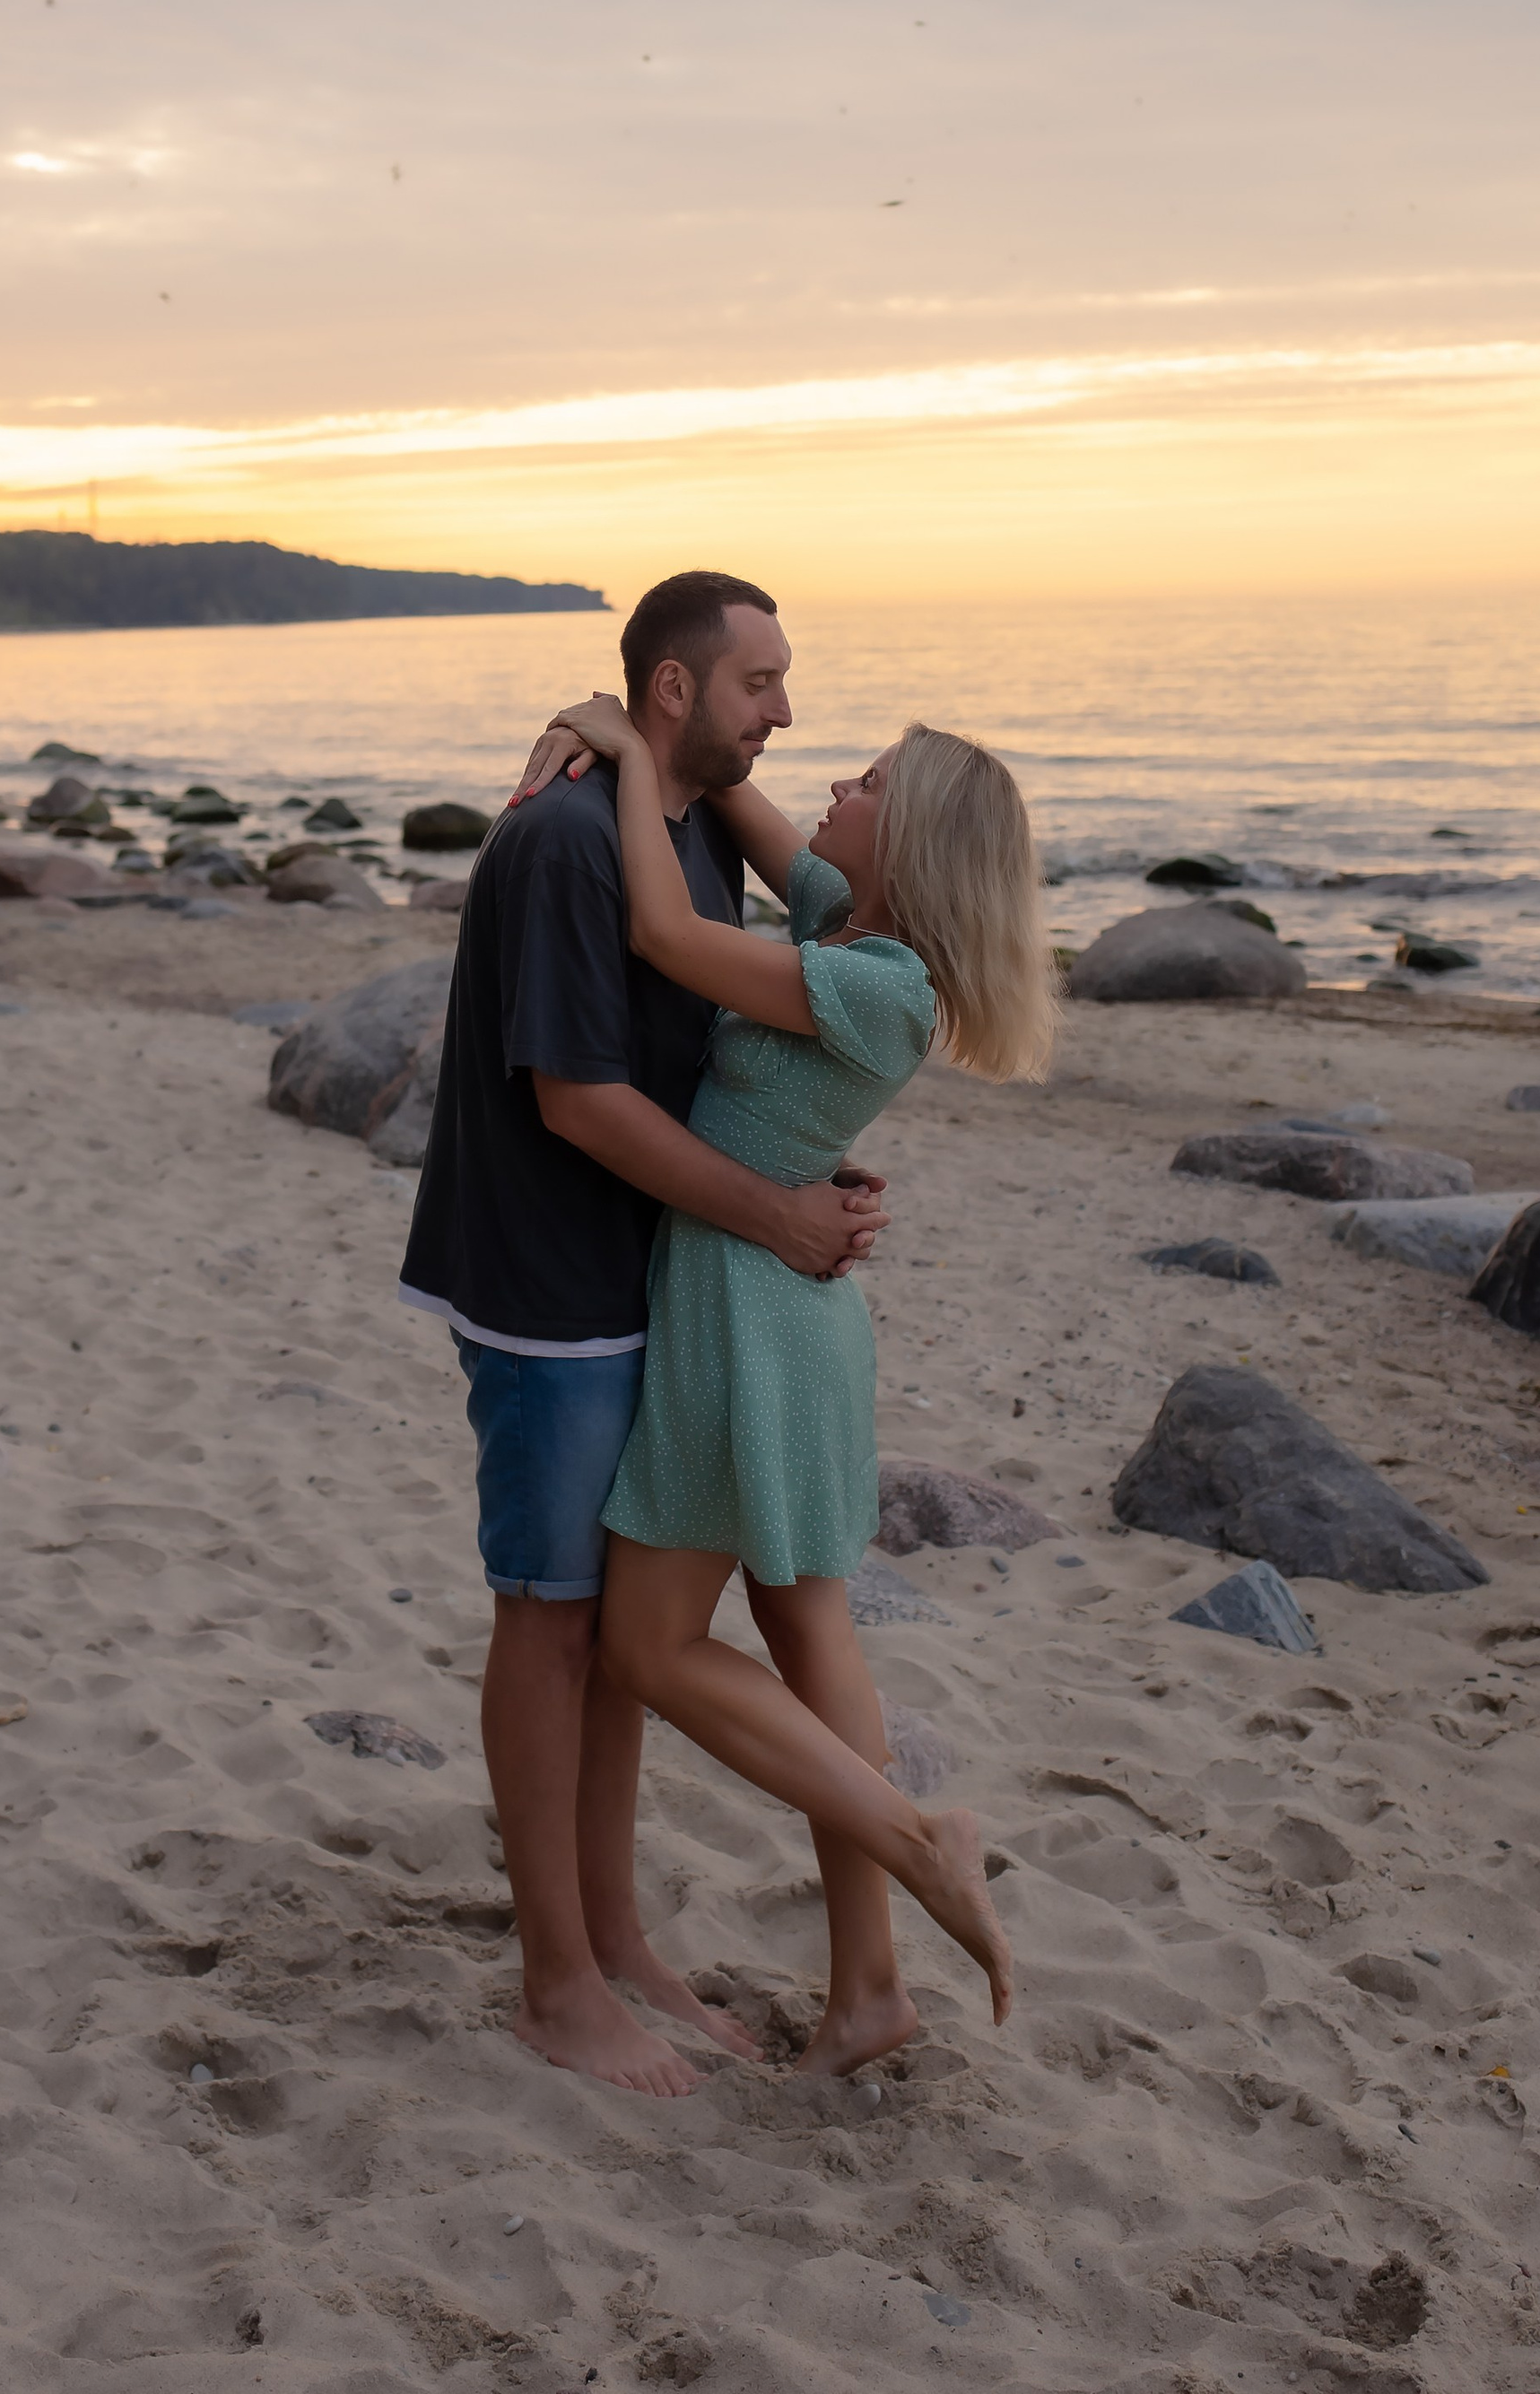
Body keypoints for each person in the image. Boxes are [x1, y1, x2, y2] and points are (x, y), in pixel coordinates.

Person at [398, 572, 888, 2097]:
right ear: (678, 692)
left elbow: (705, 1049)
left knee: (616, 1644)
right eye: (760, 683)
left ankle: (611, 1942)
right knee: (548, 1625)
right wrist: (774, 1214)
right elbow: (577, 1099)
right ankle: (554, 1981)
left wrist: (799, 1172)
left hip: (644, 1278)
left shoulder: (672, 820)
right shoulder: (563, 839)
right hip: (553, 1290)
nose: (788, 711)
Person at [531, 686, 1053, 2068]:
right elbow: (754, 813)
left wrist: (636, 751)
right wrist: (683, 731)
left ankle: (914, 1837)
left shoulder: (877, 982)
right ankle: (869, 1992)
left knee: (646, 1648)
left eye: (870, 781)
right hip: (791, 1314)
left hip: (745, 1314)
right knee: (813, 1638)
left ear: (918, 842)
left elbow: (661, 929)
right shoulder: (851, 922)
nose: (836, 784)